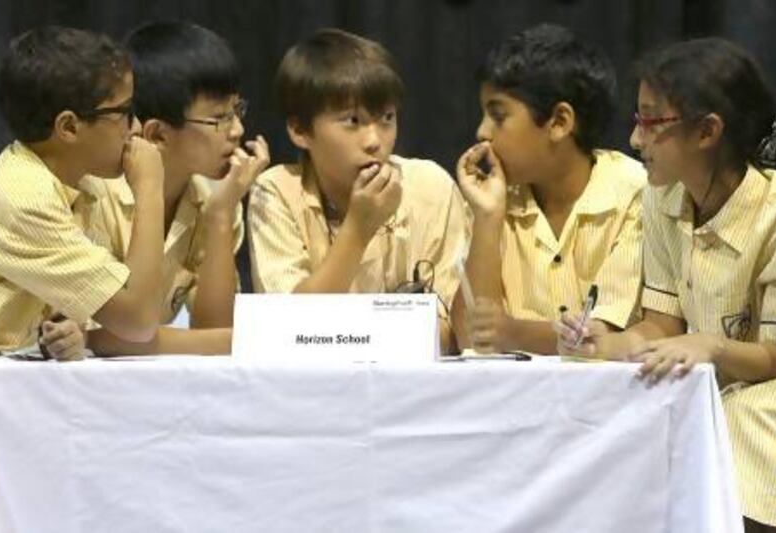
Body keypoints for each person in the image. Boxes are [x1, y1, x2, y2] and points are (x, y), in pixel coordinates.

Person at [556, 38, 776, 532]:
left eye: (650, 121)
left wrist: (713, 348)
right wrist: (608, 343)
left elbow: (775, 356)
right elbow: (660, 324)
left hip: (764, 391)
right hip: (708, 385)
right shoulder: (662, 200)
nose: (635, 140)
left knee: (740, 424)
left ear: (707, 132)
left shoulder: (774, 213)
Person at [248, 28, 469, 352]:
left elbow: (454, 333)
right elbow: (290, 331)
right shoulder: (275, 192)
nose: (374, 141)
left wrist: (350, 332)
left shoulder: (430, 185)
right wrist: (358, 228)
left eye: (387, 118)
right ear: (299, 130)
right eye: (352, 121)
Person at [452, 24, 646, 355]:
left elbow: (604, 338)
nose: (482, 131)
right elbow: (473, 341)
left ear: (559, 122)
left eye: (498, 116)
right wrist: (487, 217)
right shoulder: (495, 200)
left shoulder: (634, 194)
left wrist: (514, 334)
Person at [0, 26, 165, 360]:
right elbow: (139, 320)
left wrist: (70, 332)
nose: (135, 128)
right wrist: (151, 190)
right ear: (69, 127)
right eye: (124, 113)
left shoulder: (86, 182)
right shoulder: (23, 196)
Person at [85, 22, 269, 355]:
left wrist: (220, 216)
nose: (238, 130)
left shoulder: (212, 198)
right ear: (157, 135)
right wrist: (233, 342)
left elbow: (214, 329)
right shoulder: (92, 197)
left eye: (237, 110)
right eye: (219, 118)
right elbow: (95, 339)